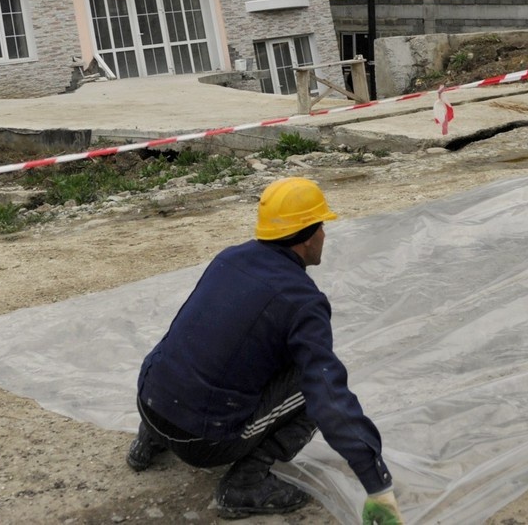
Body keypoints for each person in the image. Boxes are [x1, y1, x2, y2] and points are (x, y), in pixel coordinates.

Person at [127, 177, 403, 523]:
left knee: (199, 347)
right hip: (201, 441)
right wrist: (378, 485)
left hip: (149, 401)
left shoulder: (230, 258)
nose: (325, 236)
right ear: (307, 236)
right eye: (322, 226)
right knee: (312, 388)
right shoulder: (303, 301)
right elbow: (330, 399)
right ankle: (245, 484)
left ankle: (150, 440)